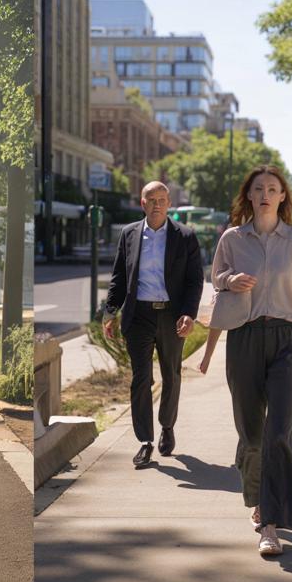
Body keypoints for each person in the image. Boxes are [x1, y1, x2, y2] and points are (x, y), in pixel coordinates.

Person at [211, 165, 292, 557]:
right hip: (244, 338)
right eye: (258, 188)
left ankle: (270, 523)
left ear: (282, 197)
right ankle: (256, 494)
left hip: (287, 341)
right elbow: (216, 277)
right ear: (249, 195)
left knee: (279, 431)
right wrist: (230, 281)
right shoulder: (231, 238)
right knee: (253, 435)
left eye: (272, 189)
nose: (265, 194)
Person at [102, 180, 204, 469]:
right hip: (139, 317)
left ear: (169, 203)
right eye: (151, 199)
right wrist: (110, 310)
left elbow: (195, 280)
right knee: (141, 379)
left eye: (162, 199)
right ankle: (145, 441)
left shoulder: (185, 236)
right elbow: (119, 277)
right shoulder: (129, 234)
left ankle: (167, 426)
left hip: (172, 316)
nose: (157, 204)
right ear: (142, 202)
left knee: (171, 374)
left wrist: (188, 313)